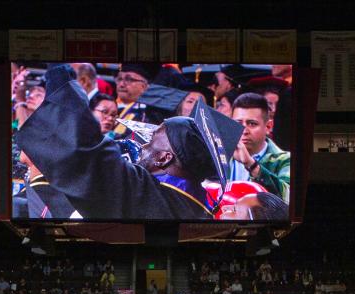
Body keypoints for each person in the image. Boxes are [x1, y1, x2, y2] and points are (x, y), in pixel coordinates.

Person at [17, 64, 235, 220]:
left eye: (151, 141)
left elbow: (85, 153)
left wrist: (61, 78)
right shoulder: (198, 207)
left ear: (164, 157)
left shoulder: (150, 194)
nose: (143, 145)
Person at [228, 93, 291, 203]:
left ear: (268, 127)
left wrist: (251, 165)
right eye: (238, 123)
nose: (244, 130)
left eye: (252, 124)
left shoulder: (285, 160)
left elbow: (289, 197)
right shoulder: (221, 155)